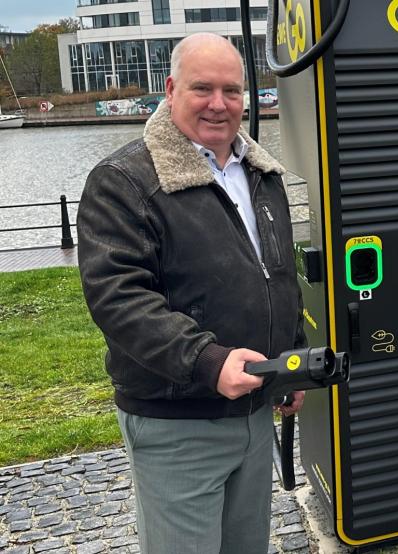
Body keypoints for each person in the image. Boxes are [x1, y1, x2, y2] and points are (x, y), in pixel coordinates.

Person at [77, 33, 305, 554]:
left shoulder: (261, 174)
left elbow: (277, 275)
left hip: (251, 408)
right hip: (176, 419)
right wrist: (206, 360)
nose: (219, 104)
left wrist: (288, 358)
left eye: (232, 90)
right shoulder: (124, 180)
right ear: (171, 88)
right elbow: (119, 298)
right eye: (203, 88)